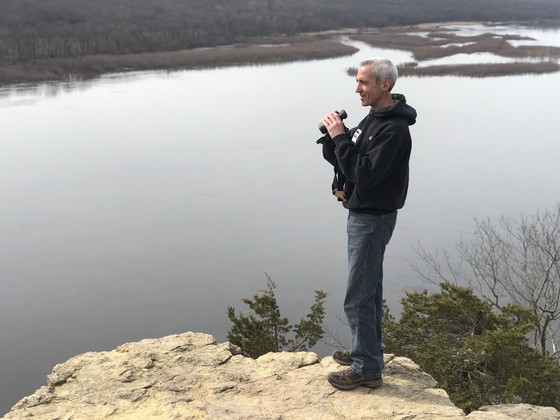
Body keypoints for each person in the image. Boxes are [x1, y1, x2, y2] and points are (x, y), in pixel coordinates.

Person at [319, 57, 416, 390]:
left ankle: (367, 368)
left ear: (384, 85)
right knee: (369, 289)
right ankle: (368, 350)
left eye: (363, 82)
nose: (357, 88)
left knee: (358, 294)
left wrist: (341, 139)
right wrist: (336, 141)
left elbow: (366, 174)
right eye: (357, 82)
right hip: (364, 213)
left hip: (373, 218)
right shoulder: (375, 118)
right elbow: (352, 163)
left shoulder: (394, 129)